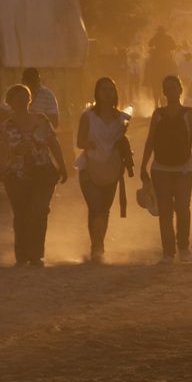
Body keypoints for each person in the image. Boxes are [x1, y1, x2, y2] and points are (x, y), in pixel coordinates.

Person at [139, 74, 192, 262]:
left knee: (183, 208)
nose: (171, 91)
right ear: (164, 92)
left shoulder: (189, 114)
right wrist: (143, 165)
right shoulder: (158, 115)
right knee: (166, 211)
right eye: (167, 88)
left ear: (180, 90)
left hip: (185, 168)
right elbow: (150, 141)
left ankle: (183, 247)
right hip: (161, 169)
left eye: (174, 88)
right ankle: (168, 251)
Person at [0, 83, 66, 267]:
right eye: (17, 98)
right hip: (16, 175)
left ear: (30, 100)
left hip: (42, 173)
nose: (22, 101)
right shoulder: (6, 126)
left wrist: (62, 166)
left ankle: (36, 255)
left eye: (25, 97)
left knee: (39, 211)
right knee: (21, 214)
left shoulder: (42, 120)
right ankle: (21, 256)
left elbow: (54, 144)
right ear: (10, 102)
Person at [75, 77, 134, 263]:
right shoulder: (87, 116)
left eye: (111, 90)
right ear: (97, 93)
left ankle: (99, 246)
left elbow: (121, 140)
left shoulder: (121, 119)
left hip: (111, 169)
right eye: (104, 90)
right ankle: (96, 248)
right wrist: (89, 144)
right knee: (96, 208)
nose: (107, 94)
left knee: (105, 210)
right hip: (89, 167)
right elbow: (79, 141)